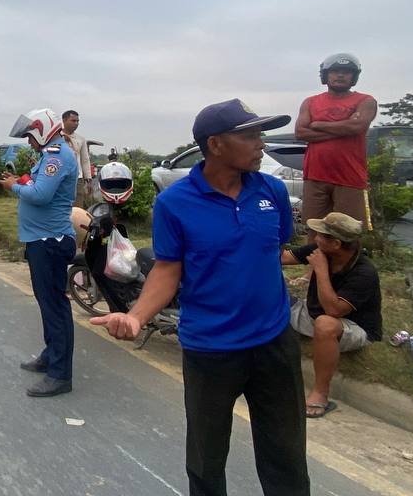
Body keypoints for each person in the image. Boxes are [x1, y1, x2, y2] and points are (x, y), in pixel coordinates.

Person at [92, 99, 309, 496]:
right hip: (211, 349)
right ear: (216, 144)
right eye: (250, 136)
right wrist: (137, 316)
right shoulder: (175, 203)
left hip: (274, 342)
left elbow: (272, 249)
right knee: (206, 461)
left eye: (260, 134)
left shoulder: (272, 191)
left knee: (287, 457)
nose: (261, 144)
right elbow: (167, 270)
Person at [0, 108, 79, 397]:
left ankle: (60, 374)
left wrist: (13, 187)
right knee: (48, 304)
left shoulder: (57, 156)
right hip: (42, 240)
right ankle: (50, 355)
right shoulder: (50, 155)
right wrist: (22, 182)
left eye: (30, 136)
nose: (29, 142)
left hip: (50, 242)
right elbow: (39, 187)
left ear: (42, 131)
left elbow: (42, 195)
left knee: (55, 306)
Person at [283, 212, 381, 419]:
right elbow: (284, 257)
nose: (316, 238)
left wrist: (320, 270)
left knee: (325, 324)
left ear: (336, 244)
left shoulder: (364, 273)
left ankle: (320, 393)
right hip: (311, 314)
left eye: (321, 235)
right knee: (264, 298)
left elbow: (333, 311)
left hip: (351, 328)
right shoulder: (321, 251)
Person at [296, 53, 377, 229]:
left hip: (350, 178)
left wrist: (317, 124)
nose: (340, 75)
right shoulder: (310, 102)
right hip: (315, 176)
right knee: (314, 229)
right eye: (335, 71)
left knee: (349, 232)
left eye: (346, 72)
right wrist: (344, 127)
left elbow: (357, 127)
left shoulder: (365, 101)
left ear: (354, 77)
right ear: (325, 75)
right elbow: (301, 132)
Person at [61, 110, 93, 207]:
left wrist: (88, 179)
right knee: (61, 205)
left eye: (77, 121)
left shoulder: (81, 139)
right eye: (73, 121)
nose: (76, 123)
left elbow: (85, 160)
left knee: (77, 207)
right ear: (64, 120)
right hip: (60, 178)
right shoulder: (56, 137)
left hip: (77, 179)